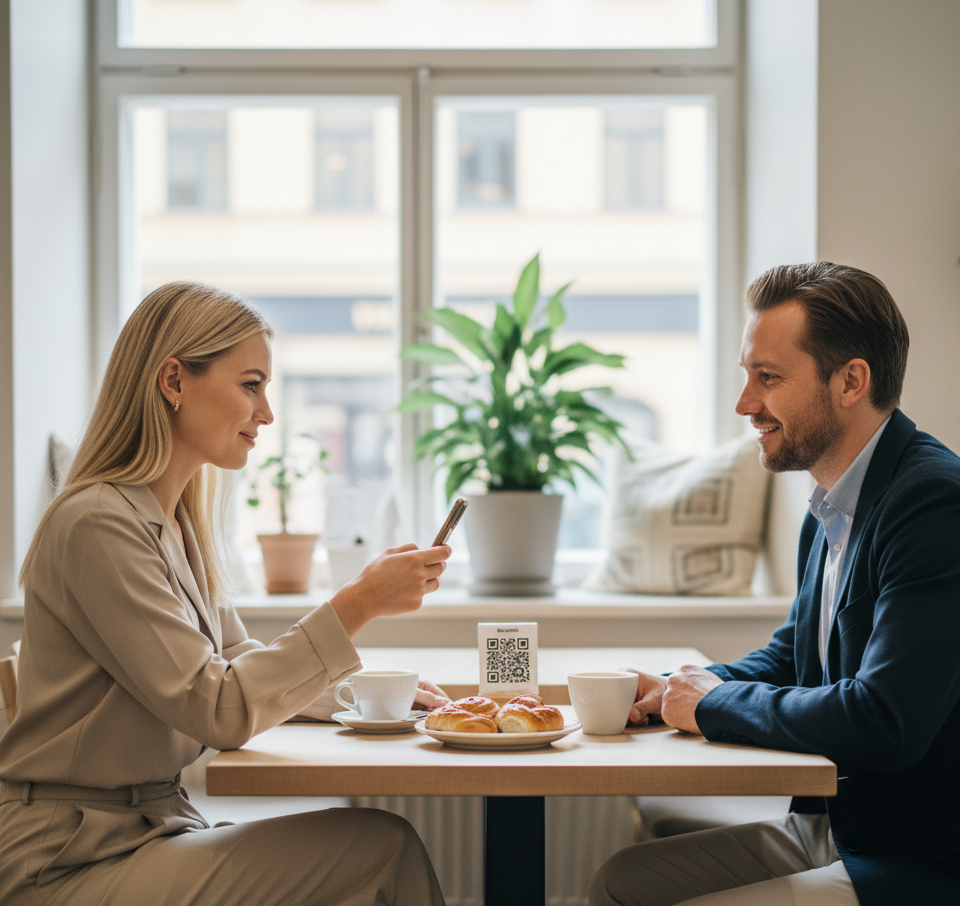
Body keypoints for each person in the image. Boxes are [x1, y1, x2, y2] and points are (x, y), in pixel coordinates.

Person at [0, 282, 453, 906]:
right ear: (173, 381)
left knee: (375, 846)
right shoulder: (97, 525)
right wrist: (359, 603)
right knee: (382, 848)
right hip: (68, 859)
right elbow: (216, 707)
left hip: (145, 829)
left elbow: (234, 660)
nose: (266, 413)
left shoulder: (174, 522)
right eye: (251, 385)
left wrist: (366, 697)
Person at [590, 262, 960, 906]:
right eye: (746, 375)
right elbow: (796, 656)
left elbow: (884, 719)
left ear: (851, 381)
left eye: (768, 378)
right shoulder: (830, 503)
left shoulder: (933, 503)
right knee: (622, 882)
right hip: (831, 828)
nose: (745, 403)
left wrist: (709, 705)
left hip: (913, 859)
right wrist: (680, 687)